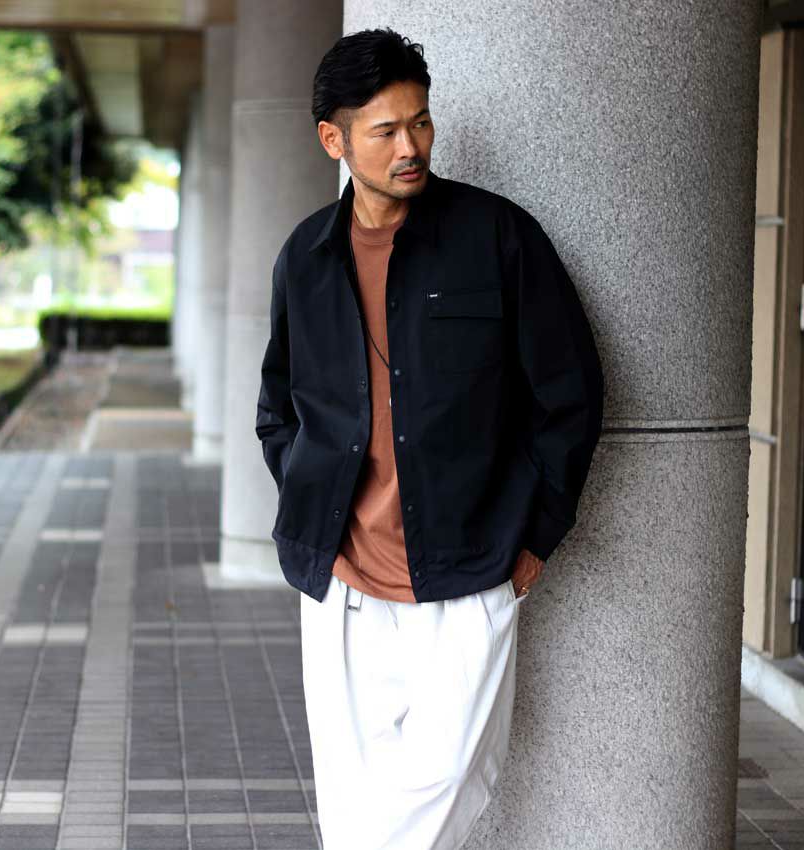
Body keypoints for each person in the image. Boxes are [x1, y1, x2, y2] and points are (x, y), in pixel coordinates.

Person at [255, 26, 604, 850]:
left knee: (450, 776)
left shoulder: (498, 237)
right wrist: (309, 503)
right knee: (353, 796)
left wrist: (537, 535)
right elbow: (279, 405)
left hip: (470, 562)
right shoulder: (305, 257)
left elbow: (571, 392)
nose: (410, 147)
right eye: (385, 130)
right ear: (334, 140)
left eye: (420, 122)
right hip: (343, 575)